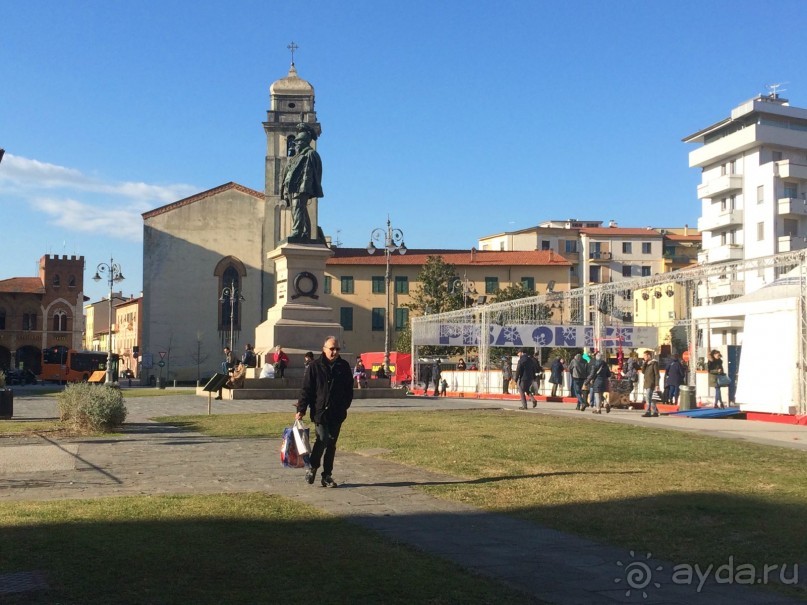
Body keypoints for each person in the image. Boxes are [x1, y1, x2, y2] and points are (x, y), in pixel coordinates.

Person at [295, 336, 353, 488]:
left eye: (337, 349)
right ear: (324, 349)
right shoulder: (315, 366)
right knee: (322, 438)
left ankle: (327, 475)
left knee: (332, 444)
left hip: (337, 412)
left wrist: (344, 406)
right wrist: (301, 409)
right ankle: (313, 467)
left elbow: (349, 390)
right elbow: (306, 390)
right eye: (331, 349)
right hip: (320, 412)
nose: (334, 352)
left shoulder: (344, 366)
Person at [280, 122, 323, 240]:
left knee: (298, 207)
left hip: (302, 187)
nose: (295, 146)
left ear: (303, 142)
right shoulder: (296, 156)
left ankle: (297, 232)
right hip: (292, 187)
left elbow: (314, 172)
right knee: (299, 209)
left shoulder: (311, 154)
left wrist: (306, 187)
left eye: (297, 143)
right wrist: (285, 188)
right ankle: (304, 232)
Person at [641, 350, 661, 417]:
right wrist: (644, 363)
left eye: (645, 356)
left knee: (648, 398)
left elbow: (657, 374)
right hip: (647, 382)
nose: (644, 357)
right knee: (650, 398)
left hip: (651, 382)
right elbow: (643, 371)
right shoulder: (647, 363)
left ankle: (648, 411)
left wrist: (657, 384)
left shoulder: (654, 363)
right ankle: (655, 411)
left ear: (649, 356)